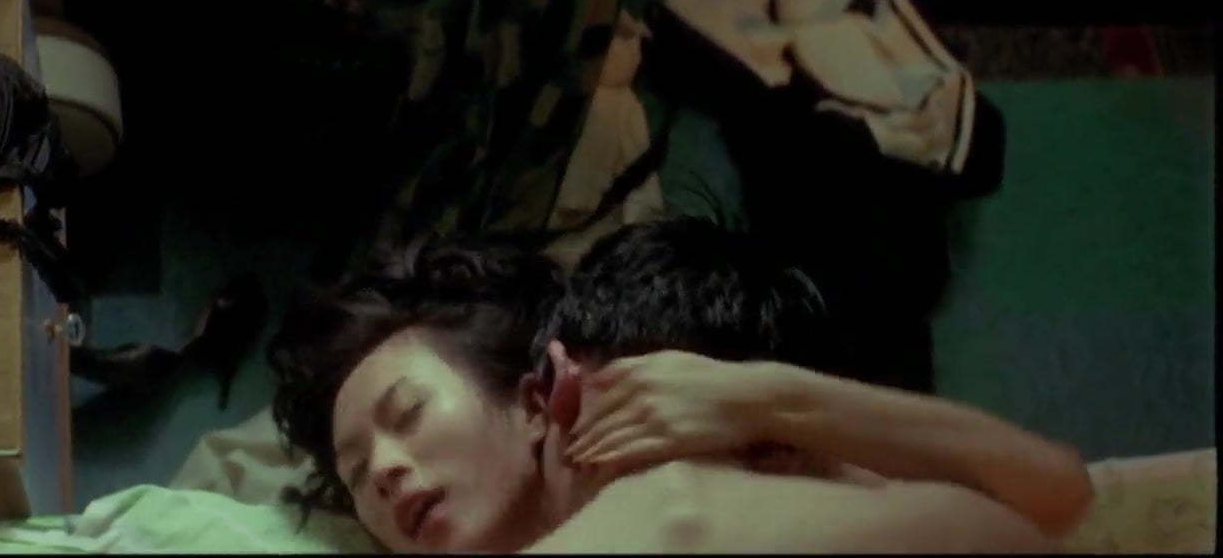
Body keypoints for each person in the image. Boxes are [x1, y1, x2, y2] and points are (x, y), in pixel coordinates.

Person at [267, 218, 1092, 553]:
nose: (383, 473)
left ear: (539, 398)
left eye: (408, 413)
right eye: (354, 474)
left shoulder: (672, 506)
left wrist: (765, 399)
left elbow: (1055, 496)